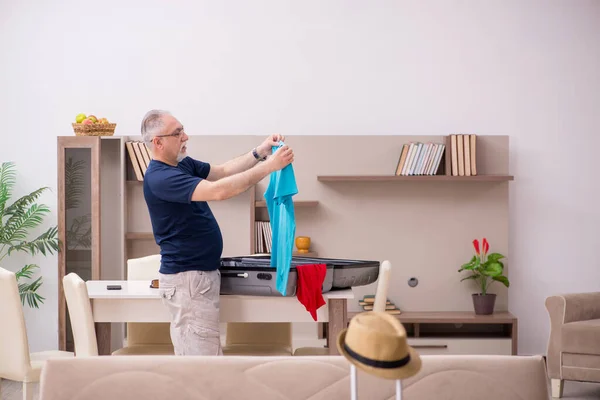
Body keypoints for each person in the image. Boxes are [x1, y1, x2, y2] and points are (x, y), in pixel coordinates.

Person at [140, 109, 294, 356]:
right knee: (203, 369)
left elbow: (222, 171)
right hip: (188, 280)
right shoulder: (162, 178)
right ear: (157, 142)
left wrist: (260, 152)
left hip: (198, 276)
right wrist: (270, 167)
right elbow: (219, 191)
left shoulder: (182, 165)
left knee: (205, 361)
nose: (185, 136)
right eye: (178, 133)